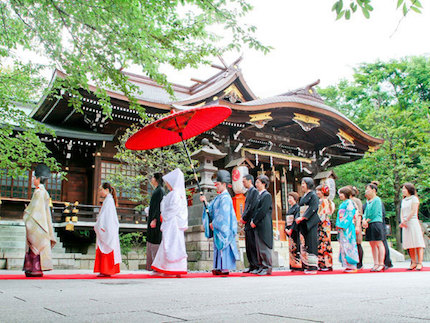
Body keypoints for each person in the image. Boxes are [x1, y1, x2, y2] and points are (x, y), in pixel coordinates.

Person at [201, 170, 239, 275]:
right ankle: (218, 266)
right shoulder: (219, 197)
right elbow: (211, 208)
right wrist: (205, 202)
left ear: (224, 184)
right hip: (218, 226)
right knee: (218, 247)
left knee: (223, 246)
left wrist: (215, 223)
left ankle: (224, 267)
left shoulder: (226, 198)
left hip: (224, 227)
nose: (216, 186)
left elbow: (224, 215)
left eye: (218, 184)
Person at [151, 168, 188, 275]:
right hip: (173, 223)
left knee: (170, 244)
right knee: (172, 244)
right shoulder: (177, 194)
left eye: (168, 182)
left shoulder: (175, 194)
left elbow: (172, 209)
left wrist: (163, 215)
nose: (167, 184)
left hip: (172, 223)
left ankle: (170, 267)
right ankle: (170, 268)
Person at [23, 164, 56, 277]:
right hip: (43, 222)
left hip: (37, 223)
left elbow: (35, 210)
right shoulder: (43, 192)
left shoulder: (39, 192)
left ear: (38, 179)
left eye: (34, 177)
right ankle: (35, 268)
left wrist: (27, 213)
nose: (33, 180)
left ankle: (34, 269)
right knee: (37, 245)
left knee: (35, 245)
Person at [94, 182, 122, 277]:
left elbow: (107, 217)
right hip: (106, 228)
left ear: (106, 190)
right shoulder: (108, 200)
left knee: (107, 247)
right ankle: (104, 270)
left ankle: (107, 270)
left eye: (101, 189)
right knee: (105, 247)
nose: (100, 192)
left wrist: (101, 225)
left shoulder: (109, 201)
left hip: (107, 228)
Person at [250, 175, 273, 275]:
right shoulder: (259, 195)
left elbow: (262, 210)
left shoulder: (266, 195)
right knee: (259, 246)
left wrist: (254, 221)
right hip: (258, 224)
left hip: (263, 223)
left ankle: (267, 266)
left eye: (258, 182)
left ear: (264, 183)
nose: (256, 184)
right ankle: (261, 265)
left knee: (264, 245)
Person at [296, 177, 320, 274]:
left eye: (304, 183)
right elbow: (300, 208)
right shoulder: (304, 196)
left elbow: (313, 208)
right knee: (305, 243)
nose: (302, 186)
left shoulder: (313, 196)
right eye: (301, 183)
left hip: (310, 221)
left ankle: (313, 266)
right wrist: (298, 217)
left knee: (311, 242)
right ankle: (306, 264)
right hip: (303, 222)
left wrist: (303, 217)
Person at [399, 183, 425, 271]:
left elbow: (413, 211)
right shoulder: (404, 200)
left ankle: (420, 262)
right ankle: (413, 262)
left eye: (404, 189)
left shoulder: (414, 199)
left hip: (413, 222)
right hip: (405, 224)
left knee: (417, 242)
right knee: (410, 244)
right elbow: (402, 212)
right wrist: (402, 220)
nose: (403, 191)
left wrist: (406, 220)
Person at [369, 181, 393, 269]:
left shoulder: (377, 200)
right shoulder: (370, 201)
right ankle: (378, 263)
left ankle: (383, 262)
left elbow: (378, 213)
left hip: (378, 222)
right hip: (372, 223)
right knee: (375, 243)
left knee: (381, 242)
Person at [362, 183, 385, 272]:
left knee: (379, 243)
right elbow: (365, 212)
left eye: (368, 189)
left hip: (376, 223)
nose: (366, 192)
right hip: (369, 223)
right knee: (372, 244)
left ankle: (381, 263)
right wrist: (364, 220)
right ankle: (375, 263)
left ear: (373, 190)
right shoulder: (368, 201)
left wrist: (366, 221)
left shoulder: (377, 200)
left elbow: (374, 213)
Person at [336, 186, 359, 273]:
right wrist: (338, 224)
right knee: (343, 245)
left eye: (342, 193)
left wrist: (342, 224)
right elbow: (339, 216)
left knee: (349, 244)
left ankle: (352, 265)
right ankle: (347, 264)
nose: (340, 195)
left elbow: (350, 214)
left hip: (348, 227)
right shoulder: (343, 204)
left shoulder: (349, 203)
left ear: (346, 194)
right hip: (342, 227)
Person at [240, 174, 259, 274]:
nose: (243, 183)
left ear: (250, 181)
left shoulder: (254, 192)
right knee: (248, 245)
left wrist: (244, 218)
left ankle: (255, 264)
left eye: (244, 181)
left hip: (251, 221)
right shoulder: (248, 192)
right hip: (247, 222)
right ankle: (251, 265)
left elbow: (252, 207)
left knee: (252, 244)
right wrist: (242, 217)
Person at [146, 173, 165, 271]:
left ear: (156, 179)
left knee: (155, 241)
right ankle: (152, 265)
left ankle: (156, 265)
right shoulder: (157, 190)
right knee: (151, 241)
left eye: (153, 177)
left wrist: (154, 219)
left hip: (156, 221)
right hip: (153, 219)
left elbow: (159, 207)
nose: (151, 179)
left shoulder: (160, 191)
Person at [315, 184, 334, 271]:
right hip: (325, 224)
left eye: (319, 191)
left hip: (323, 223)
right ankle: (326, 263)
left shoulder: (323, 201)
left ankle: (325, 263)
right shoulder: (327, 201)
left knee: (323, 243)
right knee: (324, 243)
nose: (317, 192)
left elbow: (322, 214)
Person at [285, 192, 302, 271]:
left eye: (291, 198)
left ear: (295, 199)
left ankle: (298, 265)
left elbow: (296, 219)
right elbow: (287, 220)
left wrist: (291, 229)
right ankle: (292, 265)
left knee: (296, 246)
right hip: (289, 229)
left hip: (295, 229)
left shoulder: (297, 208)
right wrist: (286, 228)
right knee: (291, 247)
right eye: (288, 198)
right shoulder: (290, 209)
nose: (289, 200)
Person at [350, 186, 364, 269]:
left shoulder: (356, 201)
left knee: (357, 243)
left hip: (355, 224)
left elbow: (359, 213)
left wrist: (358, 225)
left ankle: (359, 263)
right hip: (350, 224)